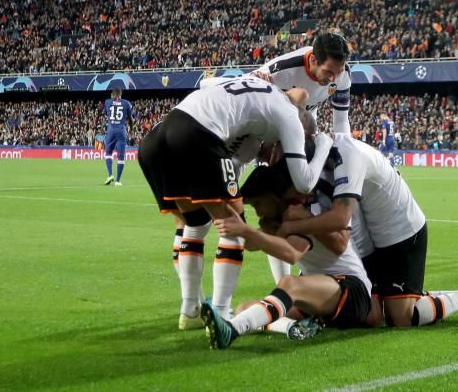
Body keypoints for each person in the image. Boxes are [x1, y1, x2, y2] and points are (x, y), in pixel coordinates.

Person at [137, 75, 332, 331]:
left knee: (194, 224)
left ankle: (190, 310)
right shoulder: (289, 118)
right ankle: (220, 315)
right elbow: (305, 182)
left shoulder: (255, 103)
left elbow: (206, 82)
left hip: (157, 137)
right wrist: (324, 147)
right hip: (197, 134)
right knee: (234, 229)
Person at [276, 132, 458, 327]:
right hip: (372, 237)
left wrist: (288, 227)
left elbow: (340, 218)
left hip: (400, 229)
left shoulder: (347, 155)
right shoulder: (329, 160)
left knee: (402, 317)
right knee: (377, 310)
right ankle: (407, 296)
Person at [201, 162, 373, 348]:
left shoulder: (301, 213)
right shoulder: (279, 219)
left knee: (289, 284)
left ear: (275, 197)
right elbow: (251, 245)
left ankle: (232, 330)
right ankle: (294, 327)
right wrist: (240, 230)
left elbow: (291, 254)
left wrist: (248, 232)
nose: (258, 211)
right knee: (245, 308)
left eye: (258, 203)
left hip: (352, 290)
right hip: (320, 295)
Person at [255, 31, 352, 283]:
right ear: (312, 61)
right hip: (272, 141)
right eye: (328, 72)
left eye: (337, 73)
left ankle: (307, 271)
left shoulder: (342, 75)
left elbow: (341, 123)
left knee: (310, 205)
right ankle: (282, 284)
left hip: (308, 137)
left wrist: (347, 159)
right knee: (277, 211)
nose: (333, 79)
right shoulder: (280, 71)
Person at [102, 88, 138, 186]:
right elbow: (130, 119)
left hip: (111, 130)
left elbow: (106, 113)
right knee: (121, 157)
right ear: (121, 94)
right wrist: (131, 128)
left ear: (112, 94)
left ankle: (110, 175)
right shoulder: (126, 103)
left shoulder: (107, 102)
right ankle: (118, 181)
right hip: (122, 131)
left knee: (108, 153)